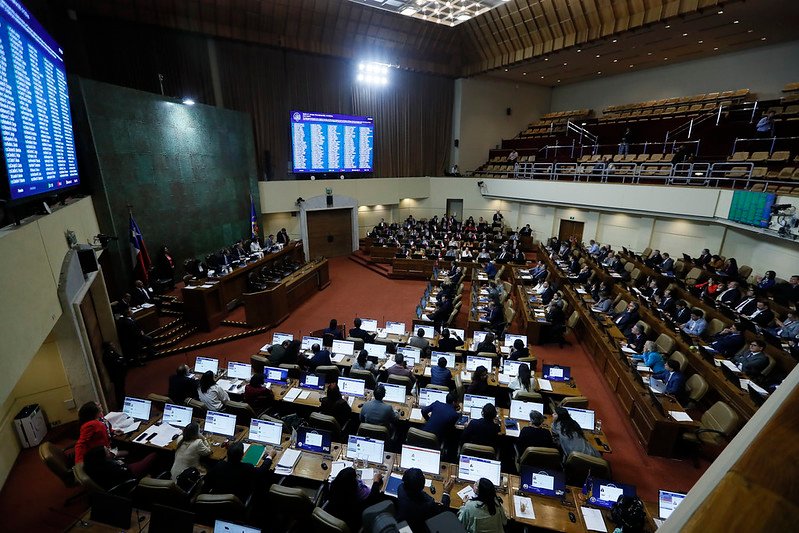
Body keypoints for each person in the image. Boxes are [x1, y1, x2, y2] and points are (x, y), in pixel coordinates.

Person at [201, 442, 275, 503]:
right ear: (242, 455)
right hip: (237, 504)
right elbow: (262, 471)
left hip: (215, 503)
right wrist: (270, 456)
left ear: (227, 455)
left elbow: (207, 483)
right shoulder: (247, 468)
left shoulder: (218, 466)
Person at [396, 468, 454, 533]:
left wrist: (431, 500)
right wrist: (446, 492)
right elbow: (444, 513)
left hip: (403, 524)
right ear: (423, 485)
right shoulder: (427, 506)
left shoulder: (401, 488)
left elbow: (420, 493)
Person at [326, 466, 384, 532]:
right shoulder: (357, 499)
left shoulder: (333, 486)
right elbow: (373, 498)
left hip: (333, 515)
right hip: (352, 523)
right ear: (353, 486)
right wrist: (376, 481)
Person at [83, 445, 156, 491]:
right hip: (130, 475)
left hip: (124, 470)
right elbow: (126, 472)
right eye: (107, 452)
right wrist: (121, 464)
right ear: (103, 458)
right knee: (153, 455)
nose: (110, 451)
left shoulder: (94, 464)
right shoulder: (110, 468)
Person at [102, 342, 128, 408]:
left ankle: (122, 401)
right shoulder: (108, 354)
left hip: (118, 374)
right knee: (119, 389)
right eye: (111, 344)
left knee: (120, 388)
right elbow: (117, 361)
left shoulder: (110, 352)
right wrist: (121, 360)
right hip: (116, 374)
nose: (113, 345)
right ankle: (121, 403)